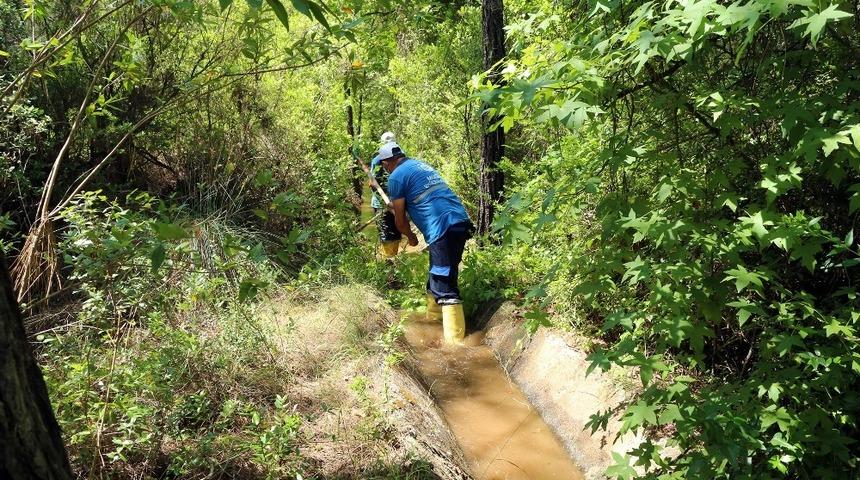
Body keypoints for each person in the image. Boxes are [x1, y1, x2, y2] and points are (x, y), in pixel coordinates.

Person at [379, 142, 474, 344]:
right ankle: (433, 322)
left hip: (441, 227)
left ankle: (455, 345)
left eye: (384, 165)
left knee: (445, 284)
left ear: (388, 162)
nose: (385, 169)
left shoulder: (395, 176)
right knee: (437, 276)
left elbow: (400, 220)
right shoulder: (421, 165)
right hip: (459, 222)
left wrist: (411, 238)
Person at [369, 132, 402, 258]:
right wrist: (386, 202)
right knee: (387, 235)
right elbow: (373, 184)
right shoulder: (377, 161)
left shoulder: (400, 158)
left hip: (397, 203)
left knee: (397, 233)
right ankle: (389, 263)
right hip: (381, 204)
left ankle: (393, 260)